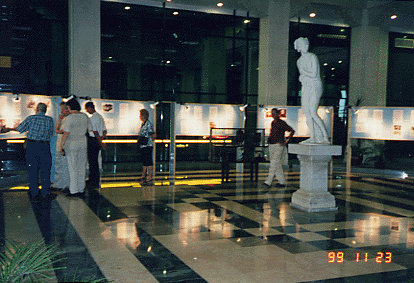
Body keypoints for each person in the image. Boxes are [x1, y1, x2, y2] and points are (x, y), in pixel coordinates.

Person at [3, 103, 54, 199]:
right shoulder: (50, 120)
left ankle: (34, 192)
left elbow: (20, 128)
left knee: (32, 169)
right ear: (45, 110)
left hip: (33, 146)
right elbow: (51, 133)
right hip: (45, 146)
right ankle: (45, 191)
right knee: (45, 169)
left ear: (37, 109)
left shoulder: (31, 118)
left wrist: (8, 129)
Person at [294, 37, 329, 144]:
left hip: (315, 86)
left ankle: (325, 137)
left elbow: (314, 74)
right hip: (306, 86)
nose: (305, 47)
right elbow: (302, 77)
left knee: (313, 112)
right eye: (302, 45)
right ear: (298, 48)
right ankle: (313, 137)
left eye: (306, 45)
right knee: (306, 112)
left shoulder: (312, 57)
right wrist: (303, 76)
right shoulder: (299, 61)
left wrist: (304, 73)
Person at [59, 98, 92, 197]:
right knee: (81, 167)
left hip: (71, 144)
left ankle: (74, 190)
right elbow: (90, 130)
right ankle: (81, 189)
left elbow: (66, 133)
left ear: (69, 107)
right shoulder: (85, 116)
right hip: (83, 143)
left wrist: (61, 146)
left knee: (72, 167)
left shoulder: (70, 117)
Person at [264, 108, 295, 188]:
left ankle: (268, 181)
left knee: (273, 163)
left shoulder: (281, 123)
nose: (273, 115)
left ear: (278, 114)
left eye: (275, 113)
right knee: (276, 163)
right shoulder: (273, 123)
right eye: (272, 113)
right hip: (272, 144)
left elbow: (292, 131)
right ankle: (282, 182)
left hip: (278, 145)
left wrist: (286, 141)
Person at [85, 101, 107, 188]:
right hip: (97, 140)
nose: (87, 111)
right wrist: (101, 140)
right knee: (95, 161)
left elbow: (95, 132)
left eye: (87, 109)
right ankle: (94, 179)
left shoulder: (93, 118)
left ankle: (93, 180)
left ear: (90, 108)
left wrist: (100, 142)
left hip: (93, 140)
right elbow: (104, 131)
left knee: (92, 162)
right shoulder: (100, 117)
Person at [53, 102, 70, 191]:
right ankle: (58, 184)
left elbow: (62, 131)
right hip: (59, 144)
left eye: (63, 109)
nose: (62, 111)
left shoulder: (70, 119)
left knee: (64, 166)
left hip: (64, 145)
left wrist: (58, 130)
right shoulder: (63, 119)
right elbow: (56, 129)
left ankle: (65, 185)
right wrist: (59, 119)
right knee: (58, 165)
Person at [138, 109, 156, 183]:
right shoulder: (143, 123)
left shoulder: (148, 123)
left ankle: (150, 176)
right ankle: (144, 174)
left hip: (147, 145)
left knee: (148, 160)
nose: (140, 116)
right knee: (145, 160)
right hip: (143, 145)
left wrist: (149, 139)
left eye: (141, 115)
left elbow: (152, 134)